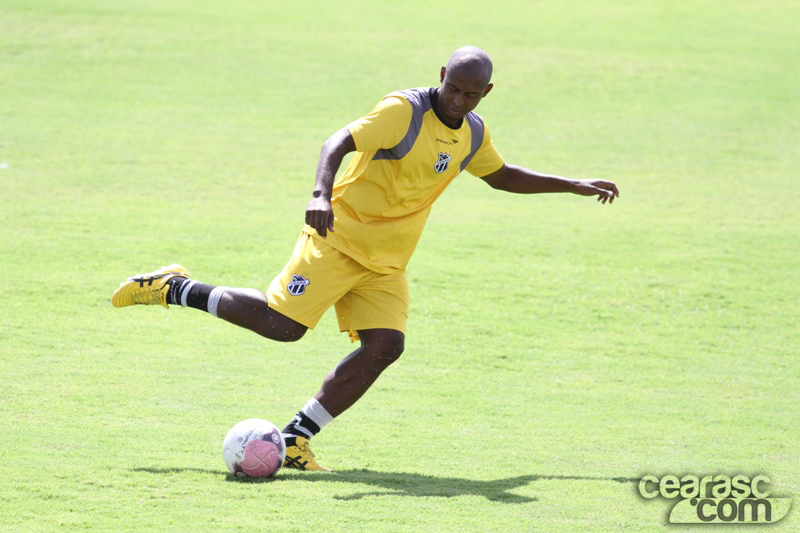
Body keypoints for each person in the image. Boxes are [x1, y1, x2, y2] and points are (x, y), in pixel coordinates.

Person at [112, 46, 619, 471]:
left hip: (387, 261)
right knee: (282, 327)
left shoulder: (474, 132)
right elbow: (339, 141)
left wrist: (571, 184)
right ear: (442, 77)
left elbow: (501, 175)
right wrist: (319, 194)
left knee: (385, 346)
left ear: (486, 92)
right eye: (454, 88)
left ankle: (294, 441)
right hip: (338, 237)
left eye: (471, 93)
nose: (460, 99)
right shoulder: (403, 111)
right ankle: (174, 287)